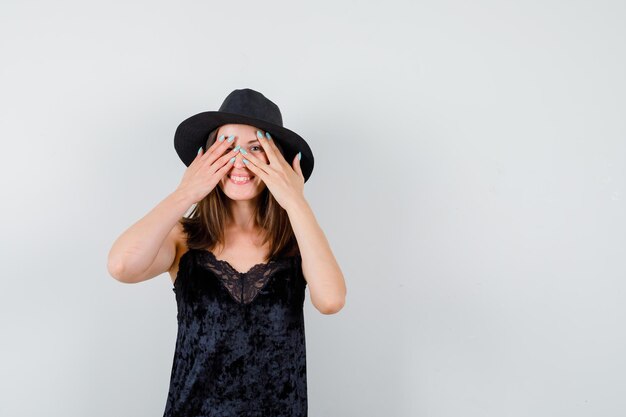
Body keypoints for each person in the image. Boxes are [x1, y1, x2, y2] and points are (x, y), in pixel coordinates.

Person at [107, 88, 347, 417]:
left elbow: (331, 300)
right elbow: (122, 266)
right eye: (228, 146)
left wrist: (295, 200)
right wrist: (185, 192)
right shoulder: (183, 237)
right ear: (207, 156)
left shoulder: (299, 238)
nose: (240, 160)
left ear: (275, 159)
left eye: (255, 148)